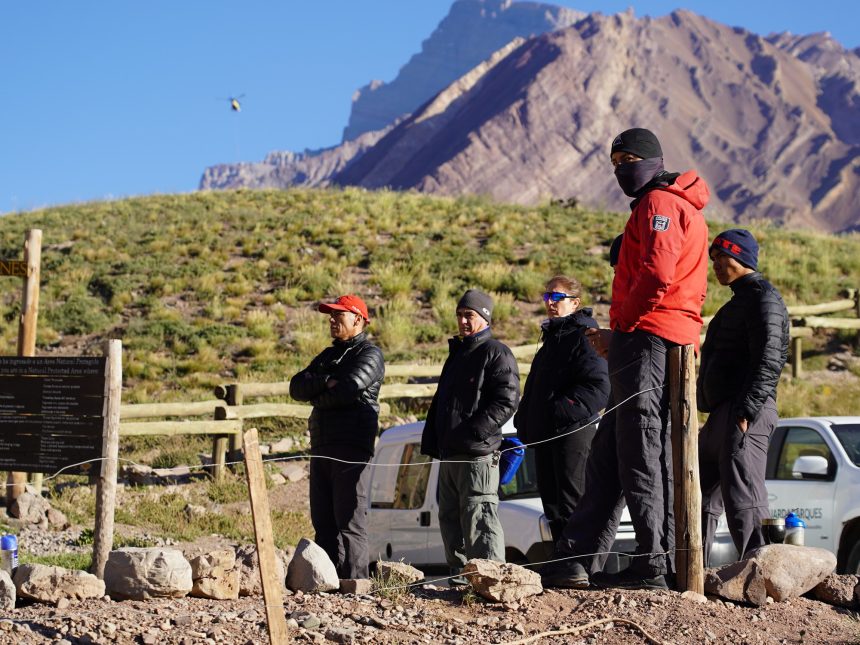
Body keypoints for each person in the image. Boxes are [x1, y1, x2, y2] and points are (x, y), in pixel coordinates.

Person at [543, 127, 710, 590]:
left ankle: (653, 562)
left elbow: (658, 272)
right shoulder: (670, 204)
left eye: (629, 159)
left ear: (653, 160)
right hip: (651, 338)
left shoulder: (659, 204)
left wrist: (624, 329)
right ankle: (577, 558)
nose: (621, 168)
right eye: (615, 161)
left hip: (650, 338)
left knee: (641, 448)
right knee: (612, 450)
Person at [698, 229, 789, 564]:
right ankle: (692, 573)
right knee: (699, 496)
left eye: (725, 258)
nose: (718, 265)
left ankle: (761, 577)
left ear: (744, 259)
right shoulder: (739, 300)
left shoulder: (764, 298)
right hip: (723, 413)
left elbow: (770, 357)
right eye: (715, 259)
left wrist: (746, 410)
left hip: (746, 410)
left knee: (744, 499)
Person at [420, 289, 520, 584]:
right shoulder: (458, 354)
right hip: (450, 453)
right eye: (460, 315)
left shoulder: (496, 352)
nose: (463, 321)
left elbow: (506, 400)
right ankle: (462, 580)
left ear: (485, 318)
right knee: (450, 518)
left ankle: (491, 581)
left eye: (470, 315)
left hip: (477, 454)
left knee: (480, 516)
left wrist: (474, 432)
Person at [289, 294, 385, 579]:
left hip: (351, 445)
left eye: (338, 315)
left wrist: (318, 393)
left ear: (358, 319)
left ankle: (356, 582)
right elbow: (296, 386)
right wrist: (324, 382)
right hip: (322, 444)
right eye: (330, 315)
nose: (332, 320)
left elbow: (349, 388)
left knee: (350, 519)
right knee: (324, 520)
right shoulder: (328, 355)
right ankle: (329, 583)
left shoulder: (369, 354)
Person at [513, 275, 610, 542]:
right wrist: (526, 419)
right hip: (547, 434)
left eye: (557, 297)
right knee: (552, 506)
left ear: (575, 303)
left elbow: (599, 387)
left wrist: (559, 411)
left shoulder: (585, 336)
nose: (550, 303)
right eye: (546, 297)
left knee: (573, 503)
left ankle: (578, 566)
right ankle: (561, 565)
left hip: (573, 433)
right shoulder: (552, 340)